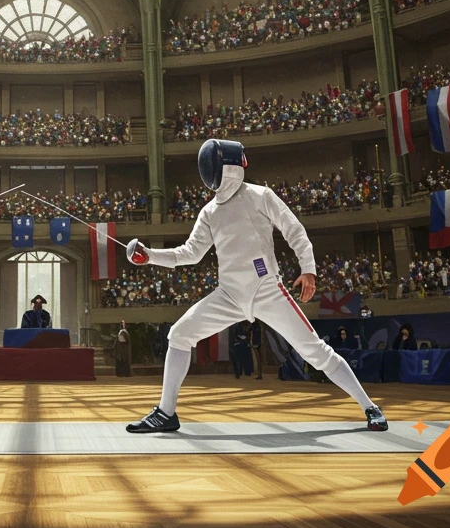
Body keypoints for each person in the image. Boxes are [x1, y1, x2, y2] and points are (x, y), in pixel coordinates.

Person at [125, 138, 388, 433]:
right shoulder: (209, 212)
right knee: (179, 335)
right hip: (229, 294)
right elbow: (189, 253)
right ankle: (165, 413)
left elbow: (294, 230)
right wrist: (150, 257)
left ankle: (370, 407)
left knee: (316, 352)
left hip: (267, 290)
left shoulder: (261, 195)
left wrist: (309, 269)